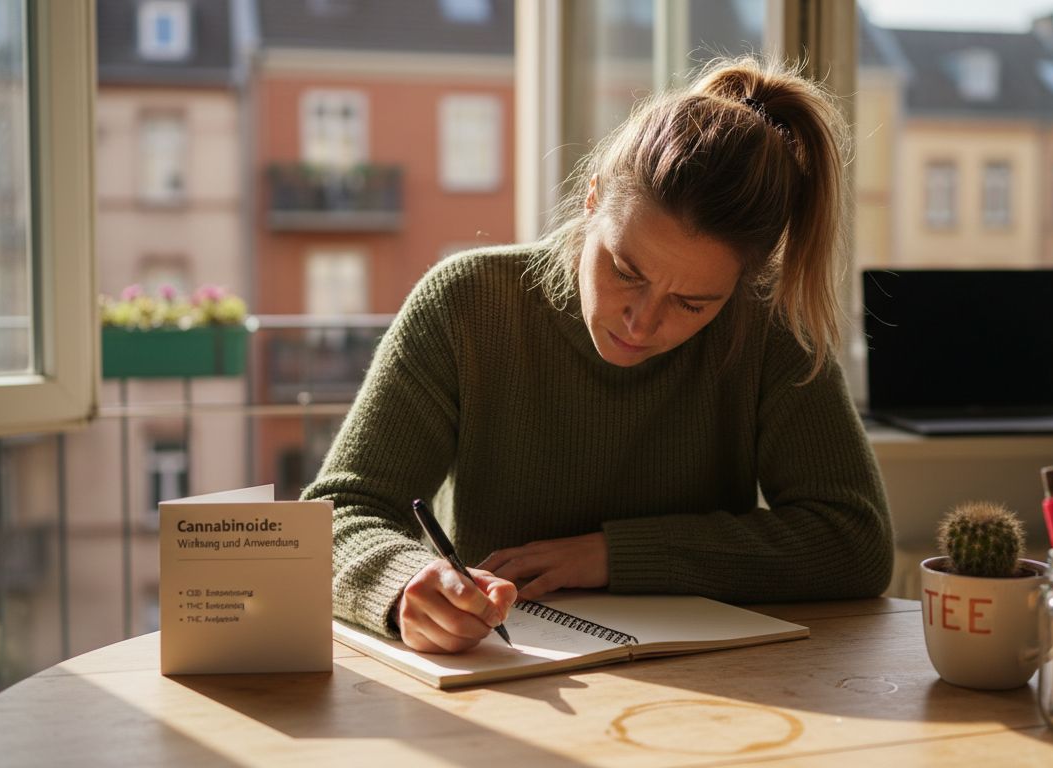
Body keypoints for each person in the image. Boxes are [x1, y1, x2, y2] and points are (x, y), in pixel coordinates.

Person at [303, 56, 894, 654]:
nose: (642, 322)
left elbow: (854, 540)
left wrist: (615, 555)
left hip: (708, 681)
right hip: (501, 679)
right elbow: (337, 513)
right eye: (626, 271)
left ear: (743, 282)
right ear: (592, 198)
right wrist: (404, 584)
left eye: (692, 304)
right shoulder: (467, 305)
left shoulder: (768, 328)